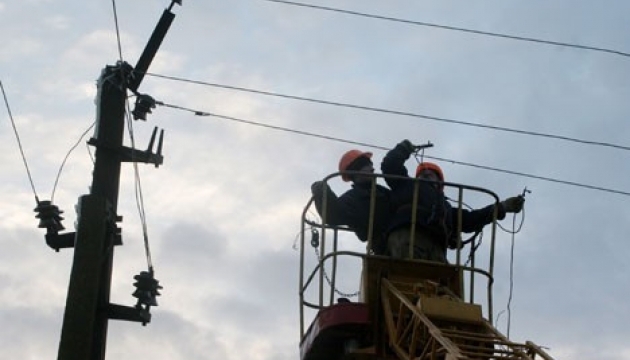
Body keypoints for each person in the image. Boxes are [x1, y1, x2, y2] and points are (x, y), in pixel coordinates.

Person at [381, 139, 524, 262]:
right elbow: (390, 166)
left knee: (440, 286)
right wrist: (403, 148)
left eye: (431, 174)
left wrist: (503, 207)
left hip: (436, 245)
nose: (426, 175)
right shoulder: (406, 185)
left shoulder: (445, 207)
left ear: (440, 183)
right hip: (407, 236)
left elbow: (470, 219)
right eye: (423, 174)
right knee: (408, 274)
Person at [311, 149, 392, 255]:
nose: (372, 169)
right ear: (355, 171)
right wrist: (322, 192)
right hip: (384, 248)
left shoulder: (383, 192)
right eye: (367, 166)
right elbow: (333, 216)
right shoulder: (351, 200)